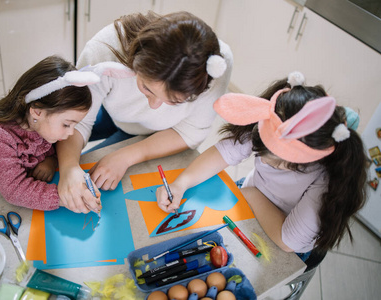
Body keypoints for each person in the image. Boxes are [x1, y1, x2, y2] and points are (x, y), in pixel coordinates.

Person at [156, 72, 367, 259]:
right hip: (254, 196)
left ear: (306, 161)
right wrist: (181, 184)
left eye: (277, 163)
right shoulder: (273, 121)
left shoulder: (326, 178)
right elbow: (224, 152)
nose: (264, 162)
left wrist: (249, 194)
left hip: (284, 236)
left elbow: (288, 242)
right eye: (263, 152)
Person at [56, 11, 233, 214]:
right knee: (53, 151)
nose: (155, 106)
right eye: (147, 88)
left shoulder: (216, 66)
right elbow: (79, 119)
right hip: (111, 109)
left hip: (160, 135)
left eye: (173, 101)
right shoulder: (103, 50)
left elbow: (191, 132)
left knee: (95, 176)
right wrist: (69, 168)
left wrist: (125, 156)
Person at [0, 55, 102, 211]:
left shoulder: (42, 125)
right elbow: (15, 190)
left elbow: (52, 150)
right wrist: (66, 198)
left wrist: (51, 160)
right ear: (37, 112)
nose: (71, 133)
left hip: (26, 192)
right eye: (67, 124)